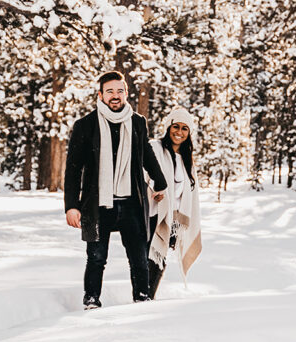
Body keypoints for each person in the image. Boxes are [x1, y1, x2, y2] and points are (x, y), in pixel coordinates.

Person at [64, 71, 168, 307]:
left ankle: (142, 299)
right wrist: (71, 206)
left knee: (139, 258)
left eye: (119, 91)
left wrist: (160, 183)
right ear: (100, 94)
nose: (115, 96)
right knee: (97, 258)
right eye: (109, 91)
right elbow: (73, 169)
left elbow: (146, 156)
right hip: (98, 203)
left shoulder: (137, 122)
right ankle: (91, 300)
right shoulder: (86, 125)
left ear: (126, 93)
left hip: (132, 202)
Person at [147, 107, 202, 299]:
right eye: (176, 126)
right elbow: (142, 175)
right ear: (169, 127)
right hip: (154, 214)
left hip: (174, 220)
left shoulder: (187, 160)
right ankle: (141, 299)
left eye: (184, 128)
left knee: (159, 262)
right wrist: (153, 191)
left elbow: (189, 194)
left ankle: (148, 298)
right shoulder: (155, 148)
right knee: (148, 260)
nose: (179, 132)